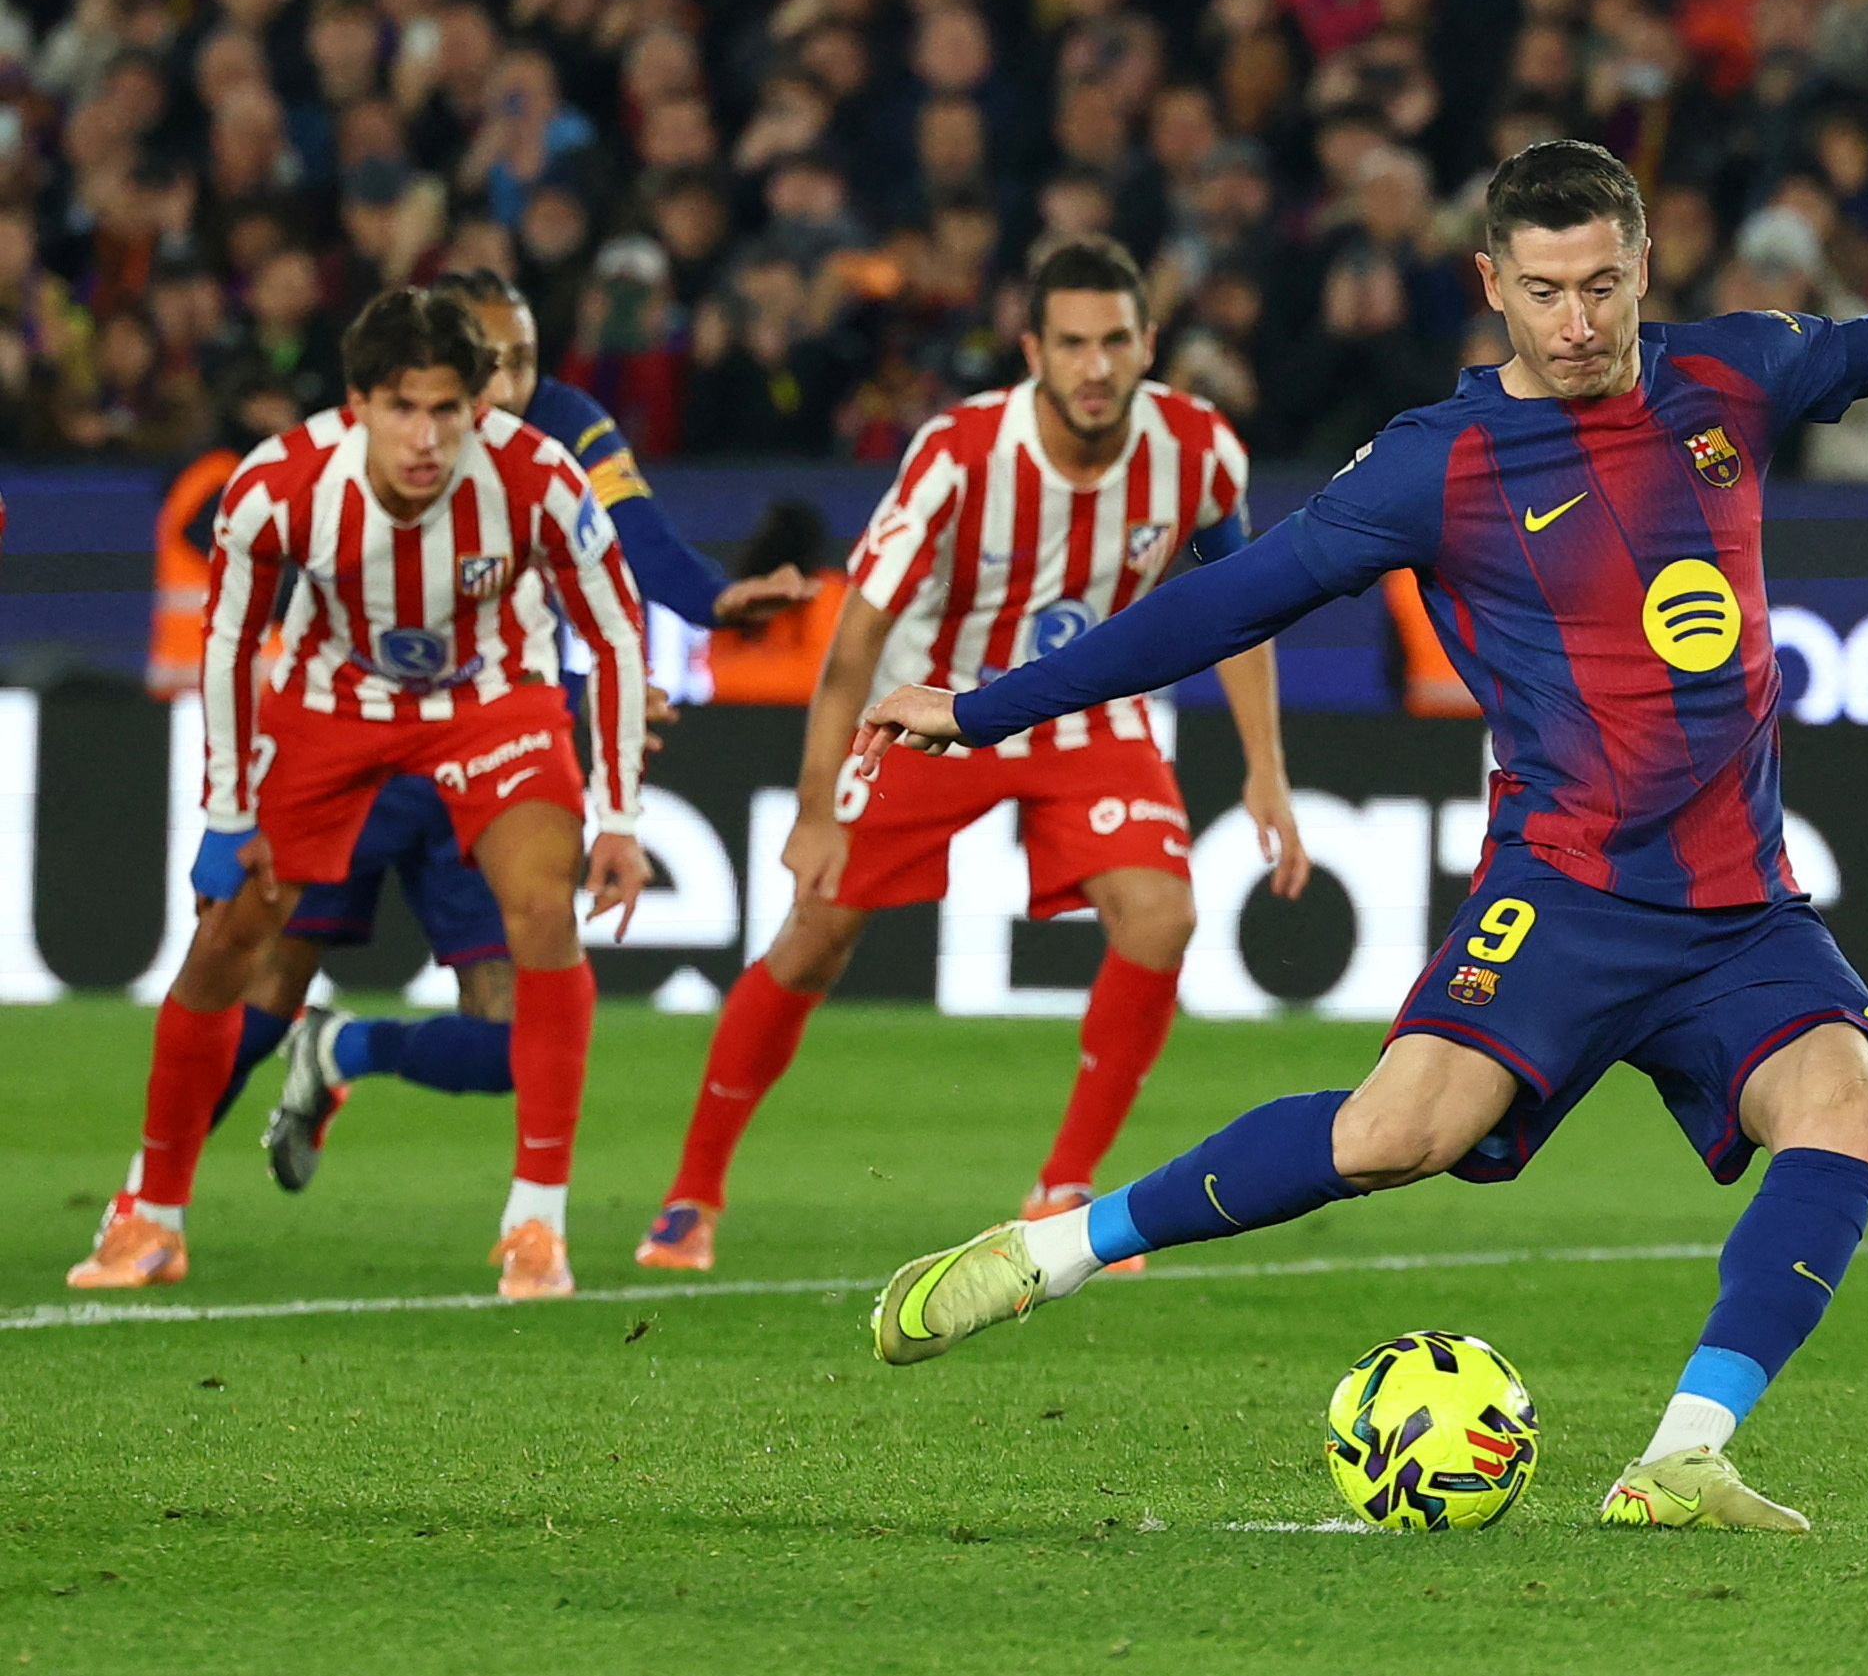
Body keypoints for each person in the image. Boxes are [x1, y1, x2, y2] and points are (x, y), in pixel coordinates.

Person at [846, 141, 1868, 1530]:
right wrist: (989, 709)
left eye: (1602, 285)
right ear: (1492, 286)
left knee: (1846, 1109)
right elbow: (1223, 601)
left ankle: (1683, 1453)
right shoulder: (1435, 464)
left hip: (1738, 906)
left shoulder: (1736, 377)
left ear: (1643, 268)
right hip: (1565, 894)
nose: (1577, 321)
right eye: (1545, 292)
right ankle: (1050, 1251)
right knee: (1393, 1138)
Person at [631, 235, 1312, 1274]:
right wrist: (816, 808)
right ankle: (691, 1195)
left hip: (1084, 709)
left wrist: (1266, 767)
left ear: (1147, 345)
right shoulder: (962, 453)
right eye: (1072, 343)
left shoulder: (1199, 448)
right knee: (815, 935)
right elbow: (856, 632)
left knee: (1164, 911)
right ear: (1031, 346)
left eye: (1115, 342)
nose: (1094, 366)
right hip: (931, 706)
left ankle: (1065, 1187)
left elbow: (1242, 602)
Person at [67, 288, 654, 1300]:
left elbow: (613, 630)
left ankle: (535, 1226)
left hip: (492, 700)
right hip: (331, 707)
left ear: (480, 403)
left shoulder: (539, 478)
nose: (425, 438)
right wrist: (226, 813)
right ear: (357, 402)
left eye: (447, 409)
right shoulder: (280, 486)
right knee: (226, 943)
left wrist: (619, 812)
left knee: (542, 910)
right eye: (400, 408)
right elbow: (230, 642)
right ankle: (149, 1219)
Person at [238, 270, 822, 1190]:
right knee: (268, 982)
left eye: (523, 361)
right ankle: (147, 1197)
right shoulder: (384, 442)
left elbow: (637, 543)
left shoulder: (566, 425)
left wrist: (711, 602)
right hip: (358, 741)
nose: (508, 384)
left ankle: (345, 1048)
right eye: (491, 362)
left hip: (486, 746)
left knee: (518, 1034)